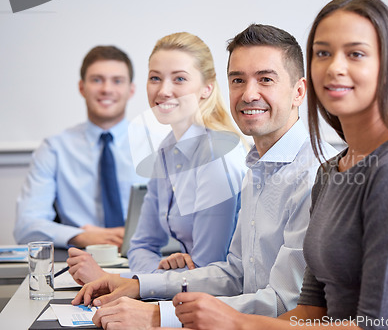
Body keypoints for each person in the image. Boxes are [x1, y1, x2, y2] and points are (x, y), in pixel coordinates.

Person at [169, 0, 388, 330]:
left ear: (387, 67)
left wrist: (237, 323)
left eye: (355, 54)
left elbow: (375, 327)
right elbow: (309, 312)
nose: (334, 67)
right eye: (323, 53)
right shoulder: (332, 171)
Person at [72, 24, 338, 329]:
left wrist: (159, 316)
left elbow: (283, 303)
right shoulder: (258, 167)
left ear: (299, 91)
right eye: (238, 80)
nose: (249, 93)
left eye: (265, 79)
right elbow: (234, 274)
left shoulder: (315, 173)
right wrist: (137, 284)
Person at [67, 32, 247, 284]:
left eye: (180, 79)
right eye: (155, 78)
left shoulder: (216, 156)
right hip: (185, 292)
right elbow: (140, 245)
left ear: (207, 88)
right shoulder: (166, 150)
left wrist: (132, 281)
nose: (163, 90)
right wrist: (161, 272)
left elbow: (209, 272)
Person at [14, 46, 145, 249]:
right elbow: (26, 226)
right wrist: (80, 236)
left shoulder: (158, 146)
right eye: (97, 80)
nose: (107, 89)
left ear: (131, 90)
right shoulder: (54, 148)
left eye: (117, 81)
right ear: (82, 87)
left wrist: (137, 235)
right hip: (80, 260)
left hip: (148, 261)